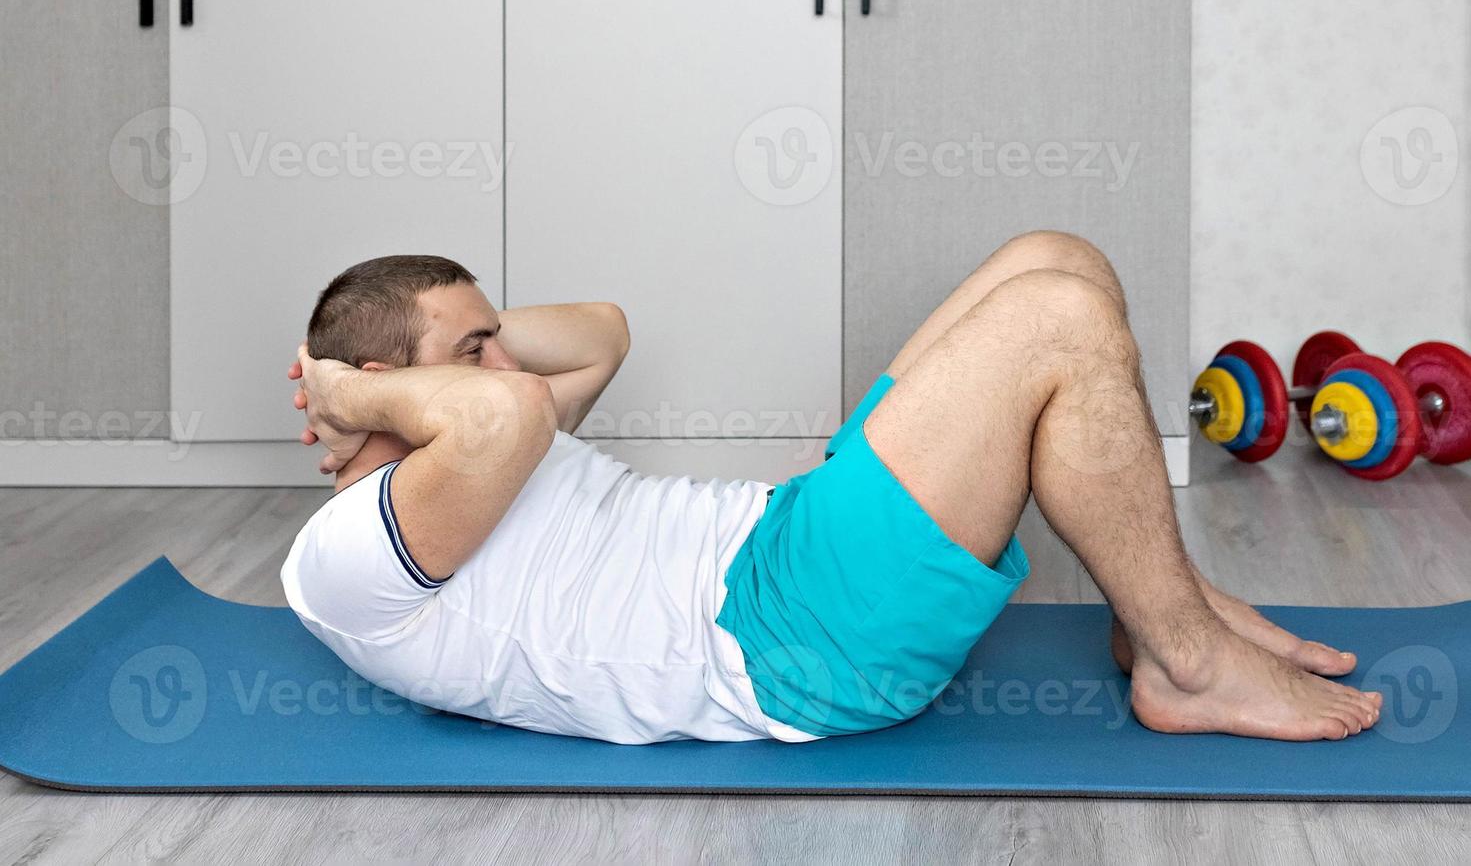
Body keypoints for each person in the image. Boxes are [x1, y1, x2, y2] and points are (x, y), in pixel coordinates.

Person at [281, 234, 1382, 745]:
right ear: (390, 390)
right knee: (1058, 322)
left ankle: (1158, 610)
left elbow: (604, 332)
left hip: (788, 542)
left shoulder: (485, 431)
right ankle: (1188, 665)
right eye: (477, 348)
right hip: (788, 646)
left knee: (1057, 259)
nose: (509, 365)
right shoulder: (345, 555)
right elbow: (513, 408)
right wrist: (344, 386)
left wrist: (454, 347)